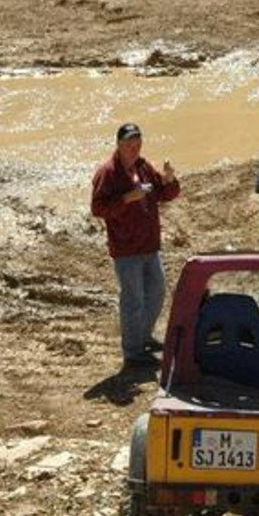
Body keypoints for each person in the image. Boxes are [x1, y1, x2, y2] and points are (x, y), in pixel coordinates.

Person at [90, 123, 181, 367]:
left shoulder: (143, 166)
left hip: (149, 245)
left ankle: (143, 337)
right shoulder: (108, 172)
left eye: (137, 144)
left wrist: (170, 180)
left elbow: (165, 194)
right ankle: (133, 352)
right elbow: (97, 208)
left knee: (157, 293)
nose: (134, 149)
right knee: (133, 300)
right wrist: (128, 198)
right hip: (126, 249)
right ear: (119, 145)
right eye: (129, 145)